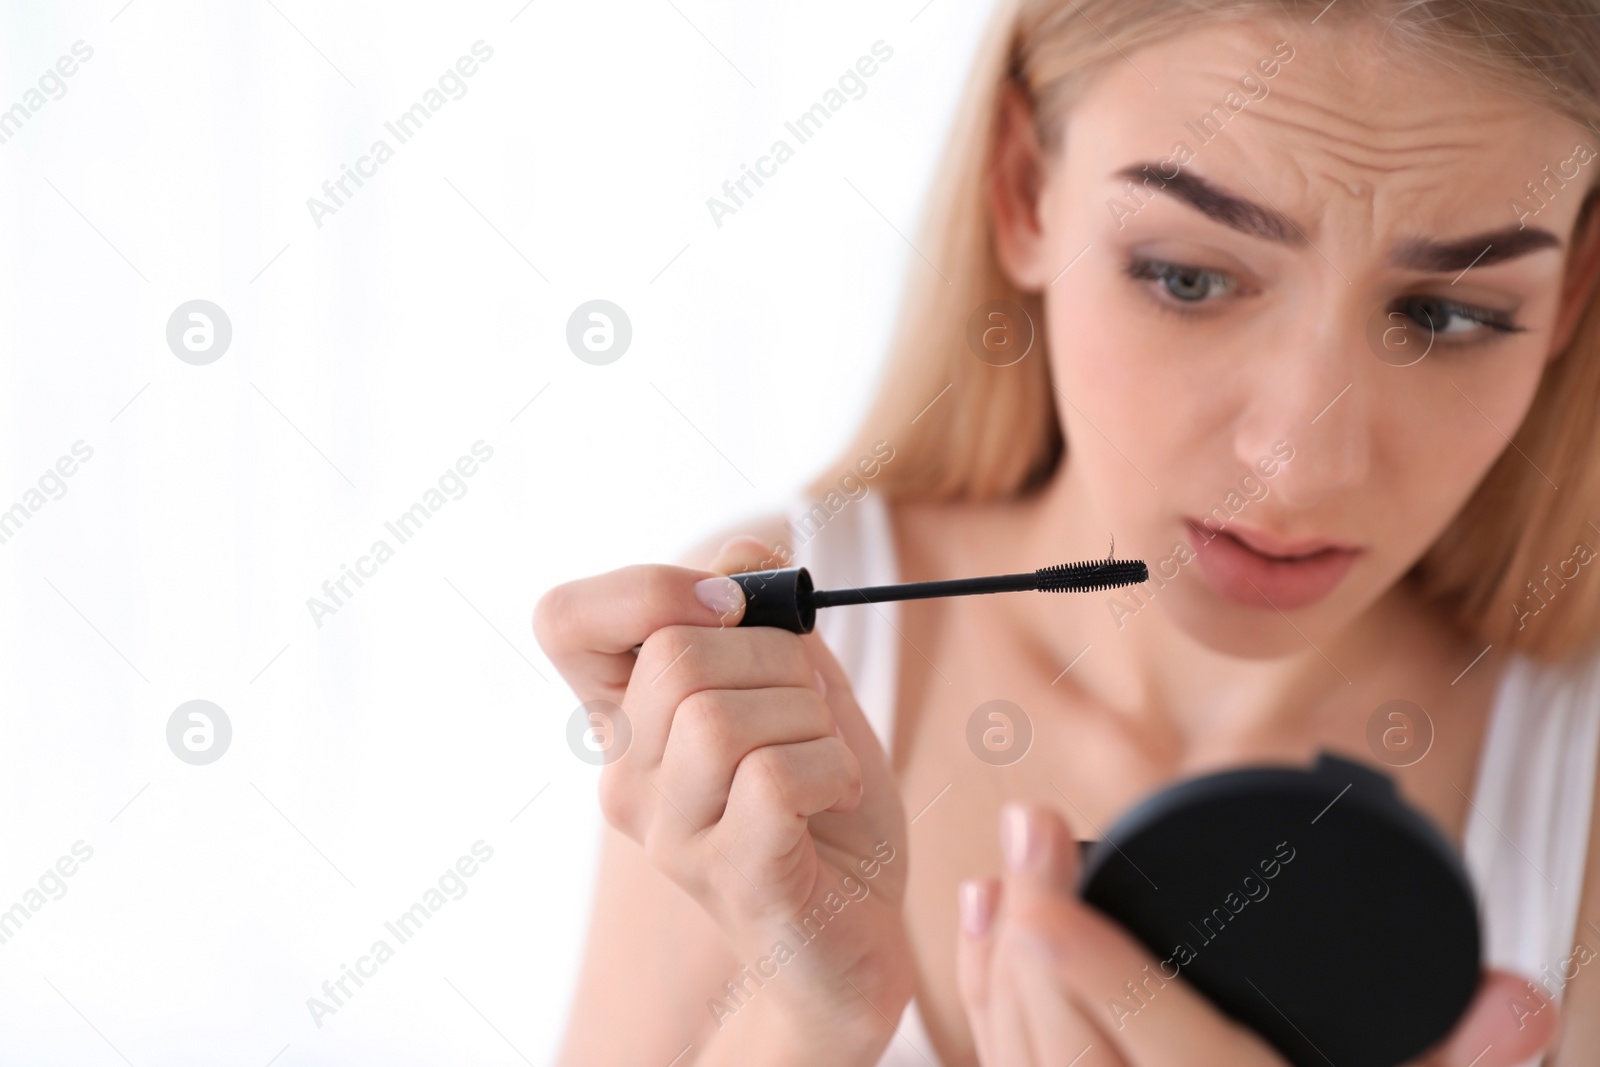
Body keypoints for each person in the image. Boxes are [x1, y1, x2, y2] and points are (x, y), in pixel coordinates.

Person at [533, 1, 1600, 1063]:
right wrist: (809, 1018)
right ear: (1023, 189)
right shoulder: (782, 683)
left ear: (1570, 293)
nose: (1299, 462)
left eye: (1448, 314)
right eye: (1187, 275)